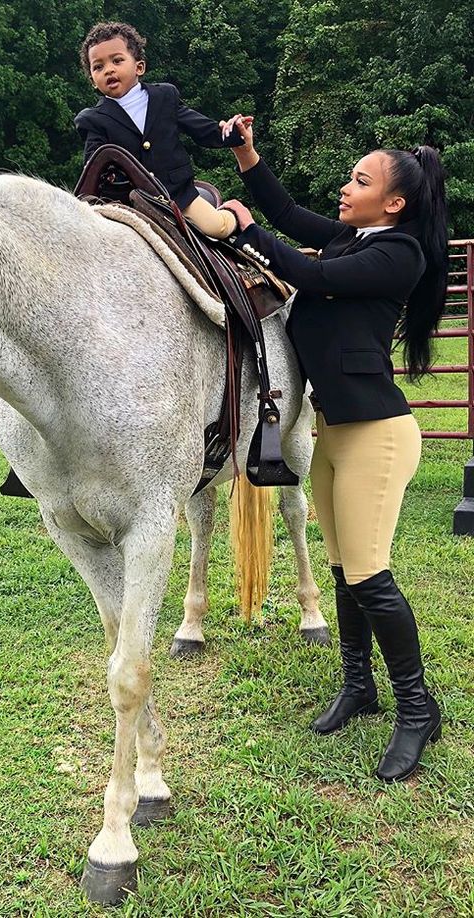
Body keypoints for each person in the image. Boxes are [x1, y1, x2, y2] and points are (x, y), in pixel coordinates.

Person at [221, 115, 448, 782]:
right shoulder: (355, 238)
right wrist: (248, 158)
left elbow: (307, 275)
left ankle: (416, 708)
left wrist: (243, 231)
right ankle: (359, 686)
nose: (345, 189)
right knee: (346, 572)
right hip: (335, 434)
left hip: (378, 437)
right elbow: (288, 211)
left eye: (359, 180)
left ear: (396, 202)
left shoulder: (399, 253)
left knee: (372, 575)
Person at [75, 21, 243, 239]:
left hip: (176, 195)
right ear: (93, 81)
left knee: (216, 228)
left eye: (117, 60)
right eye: (98, 67)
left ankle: (234, 213)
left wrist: (231, 133)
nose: (109, 70)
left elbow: (199, 128)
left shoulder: (164, 97)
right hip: (129, 205)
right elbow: (94, 167)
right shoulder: (92, 120)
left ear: (139, 67)